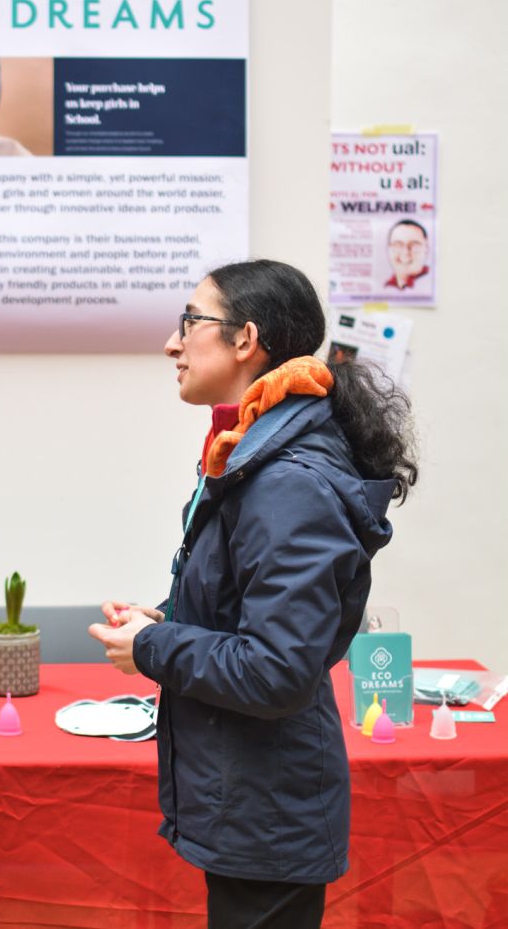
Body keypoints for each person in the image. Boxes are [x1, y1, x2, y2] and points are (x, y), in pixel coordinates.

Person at [89, 259, 416, 929]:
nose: (172, 344)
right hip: (252, 799)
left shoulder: (284, 482)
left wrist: (154, 645)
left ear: (246, 341)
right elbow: (244, 611)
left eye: (189, 323)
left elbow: (276, 669)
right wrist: (167, 616)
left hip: (271, 810)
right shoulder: (251, 455)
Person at [384, 218, 429, 290]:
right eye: (398, 244)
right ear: (389, 248)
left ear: (426, 248)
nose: (405, 252)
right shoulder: (387, 287)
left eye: (414, 245)